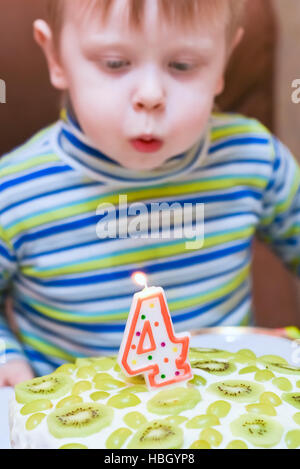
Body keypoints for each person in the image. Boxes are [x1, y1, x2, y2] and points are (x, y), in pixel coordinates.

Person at [1, 0, 300, 386]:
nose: (151, 95)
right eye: (114, 63)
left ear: (223, 61)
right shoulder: (15, 191)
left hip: (224, 415)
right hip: (76, 425)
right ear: (55, 56)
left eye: (182, 65)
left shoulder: (255, 159)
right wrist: (6, 357)